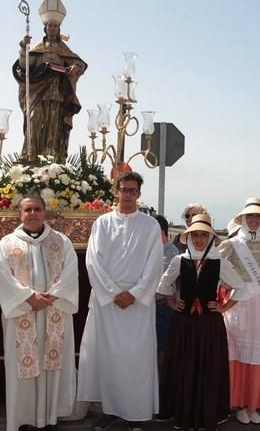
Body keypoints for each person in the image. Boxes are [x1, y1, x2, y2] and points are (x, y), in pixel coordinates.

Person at [77, 172, 163, 431]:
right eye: (123, 189)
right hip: (108, 302)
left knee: (136, 360)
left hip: (137, 304)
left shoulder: (150, 226)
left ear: (139, 194)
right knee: (107, 358)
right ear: (116, 191)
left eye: (132, 190)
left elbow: (155, 264)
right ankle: (109, 410)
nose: (127, 195)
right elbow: (93, 261)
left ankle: (135, 412)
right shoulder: (102, 223)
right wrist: (113, 293)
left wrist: (134, 294)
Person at [0, 195, 79, 431]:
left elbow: (71, 273)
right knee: (24, 367)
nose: (32, 213)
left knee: (52, 366)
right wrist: (28, 297)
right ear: (20, 214)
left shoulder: (61, 242)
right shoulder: (7, 244)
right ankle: (24, 419)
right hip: (22, 314)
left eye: (37, 209)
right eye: (27, 209)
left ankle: (50, 417)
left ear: (45, 213)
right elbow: (1, 276)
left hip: (54, 313)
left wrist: (50, 296)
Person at [157, 213, 251, 431]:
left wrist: (224, 307)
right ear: (189, 237)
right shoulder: (179, 261)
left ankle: (205, 416)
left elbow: (241, 287)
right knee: (185, 368)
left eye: (203, 235)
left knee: (208, 369)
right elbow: (163, 286)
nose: (199, 239)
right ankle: (184, 415)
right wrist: (172, 302)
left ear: (210, 237)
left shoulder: (220, 262)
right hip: (185, 325)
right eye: (195, 235)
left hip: (210, 325)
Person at [217, 198, 260, 424]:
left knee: (258, 353)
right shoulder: (232, 244)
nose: (254, 221)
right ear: (242, 220)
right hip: (238, 304)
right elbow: (215, 266)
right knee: (237, 352)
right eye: (250, 217)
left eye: (258, 217)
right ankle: (237, 402)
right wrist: (228, 285)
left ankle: (253, 403)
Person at [13, 0, 87, 161]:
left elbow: (79, 64)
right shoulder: (38, 48)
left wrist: (75, 67)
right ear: (45, 28)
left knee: (54, 129)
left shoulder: (64, 50)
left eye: (55, 26)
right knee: (34, 122)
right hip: (38, 93)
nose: (52, 28)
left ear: (59, 28)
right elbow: (24, 67)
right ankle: (30, 161)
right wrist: (24, 49)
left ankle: (53, 164)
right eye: (49, 25)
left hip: (57, 94)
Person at [154, 214, 180, 376]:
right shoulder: (148, 250)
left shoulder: (171, 253)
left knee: (162, 351)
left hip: (163, 307)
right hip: (148, 308)